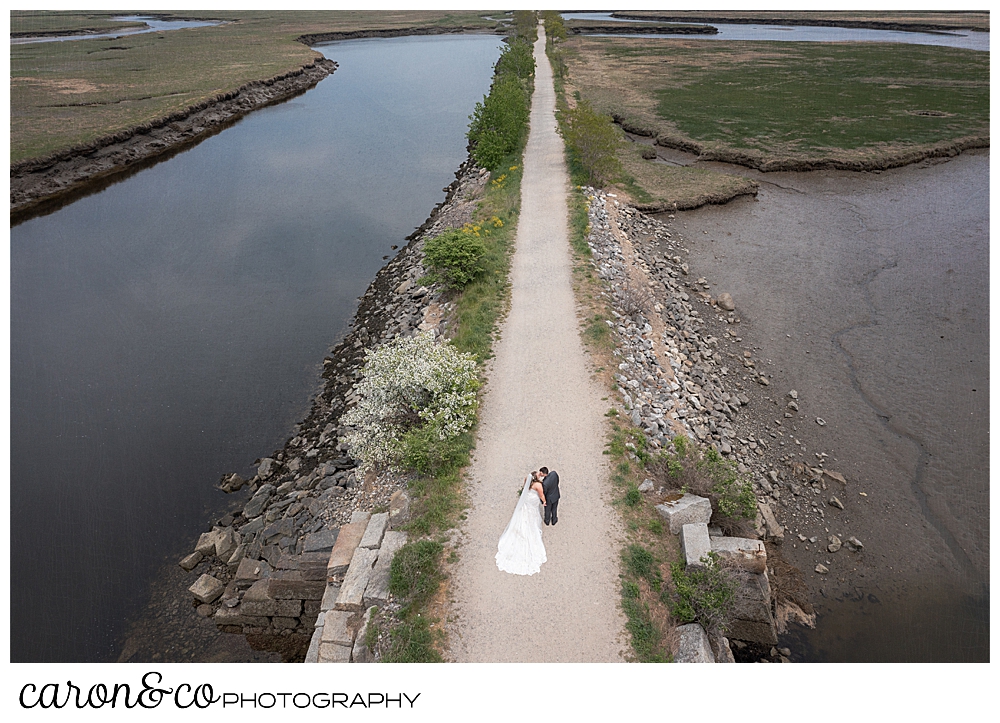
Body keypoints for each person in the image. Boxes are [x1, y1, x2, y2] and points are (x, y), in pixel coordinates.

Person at [496, 471, 547, 575]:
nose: (540, 475)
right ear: (536, 477)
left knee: (525, 513)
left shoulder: (527, 479)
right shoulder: (538, 485)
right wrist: (545, 501)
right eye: (539, 475)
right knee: (532, 513)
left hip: (527, 498)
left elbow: (525, 487)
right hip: (533, 500)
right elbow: (541, 495)